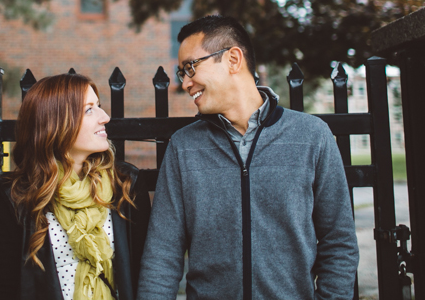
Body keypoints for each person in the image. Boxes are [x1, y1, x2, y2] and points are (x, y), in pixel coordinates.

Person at [137, 15, 359, 300]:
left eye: (190, 67)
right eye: (182, 73)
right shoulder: (183, 147)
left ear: (233, 59)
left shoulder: (312, 136)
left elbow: (339, 242)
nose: (185, 83)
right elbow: (162, 254)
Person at [0, 73, 150, 300]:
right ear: (56, 123)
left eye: (98, 106)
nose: (105, 117)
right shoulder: (17, 196)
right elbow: (0, 287)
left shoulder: (125, 185)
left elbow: (146, 273)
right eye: (89, 110)